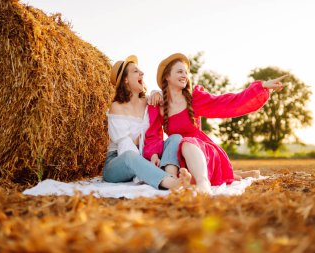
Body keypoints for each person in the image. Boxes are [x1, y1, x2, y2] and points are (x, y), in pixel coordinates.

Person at [144, 53, 286, 193]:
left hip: (201, 150)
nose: (185, 76)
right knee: (178, 151)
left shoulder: (194, 99)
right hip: (177, 158)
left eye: (186, 73)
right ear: (167, 76)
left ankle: (203, 184)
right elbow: (153, 136)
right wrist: (154, 155)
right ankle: (238, 175)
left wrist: (261, 87)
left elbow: (228, 102)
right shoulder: (158, 105)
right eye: (179, 71)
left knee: (186, 142)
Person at [102, 55, 191, 190]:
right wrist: (146, 165)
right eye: (135, 71)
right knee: (130, 155)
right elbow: (125, 144)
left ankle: (170, 175)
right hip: (118, 161)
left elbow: (165, 97)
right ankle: (170, 182)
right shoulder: (117, 107)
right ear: (125, 80)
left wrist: (157, 92)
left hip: (145, 154)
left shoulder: (149, 102)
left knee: (175, 138)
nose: (142, 73)